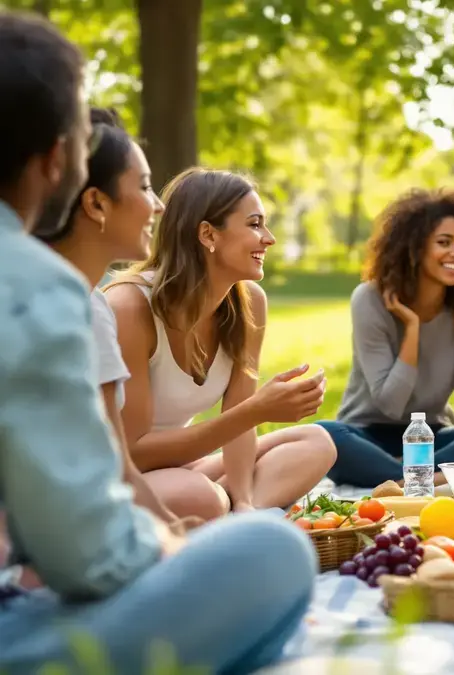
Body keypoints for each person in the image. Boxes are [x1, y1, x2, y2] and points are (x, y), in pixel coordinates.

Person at [0, 12, 314, 675]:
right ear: (58, 162)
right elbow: (86, 547)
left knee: (288, 472)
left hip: (161, 491)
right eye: (143, 186)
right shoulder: (55, 292)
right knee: (272, 554)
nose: (154, 203)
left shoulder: (240, 304)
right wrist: (178, 550)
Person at [105, 168, 336, 519]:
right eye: (255, 224)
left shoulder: (248, 303)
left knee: (316, 443)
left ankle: (237, 513)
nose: (269, 238)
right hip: (116, 478)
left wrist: (243, 499)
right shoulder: (131, 308)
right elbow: (131, 454)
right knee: (202, 497)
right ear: (208, 234)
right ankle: (218, 510)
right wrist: (255, 411)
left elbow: (238, 420)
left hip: (182, 470)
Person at [32, 107, 189, 533]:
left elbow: (117, 466)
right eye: (143, 186)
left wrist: (175, 533)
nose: (157, 206)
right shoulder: (29, 308)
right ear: (96, 202)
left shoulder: (95, 309)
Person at [318, 188, 454, 488]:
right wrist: (412, 329)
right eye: (444, 242)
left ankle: (399, 477)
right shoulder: (370, 299)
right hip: (366, 435)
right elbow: (390, 404)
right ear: (414, 248)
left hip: (432, 437)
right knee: (324, 435)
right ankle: (433, 478)